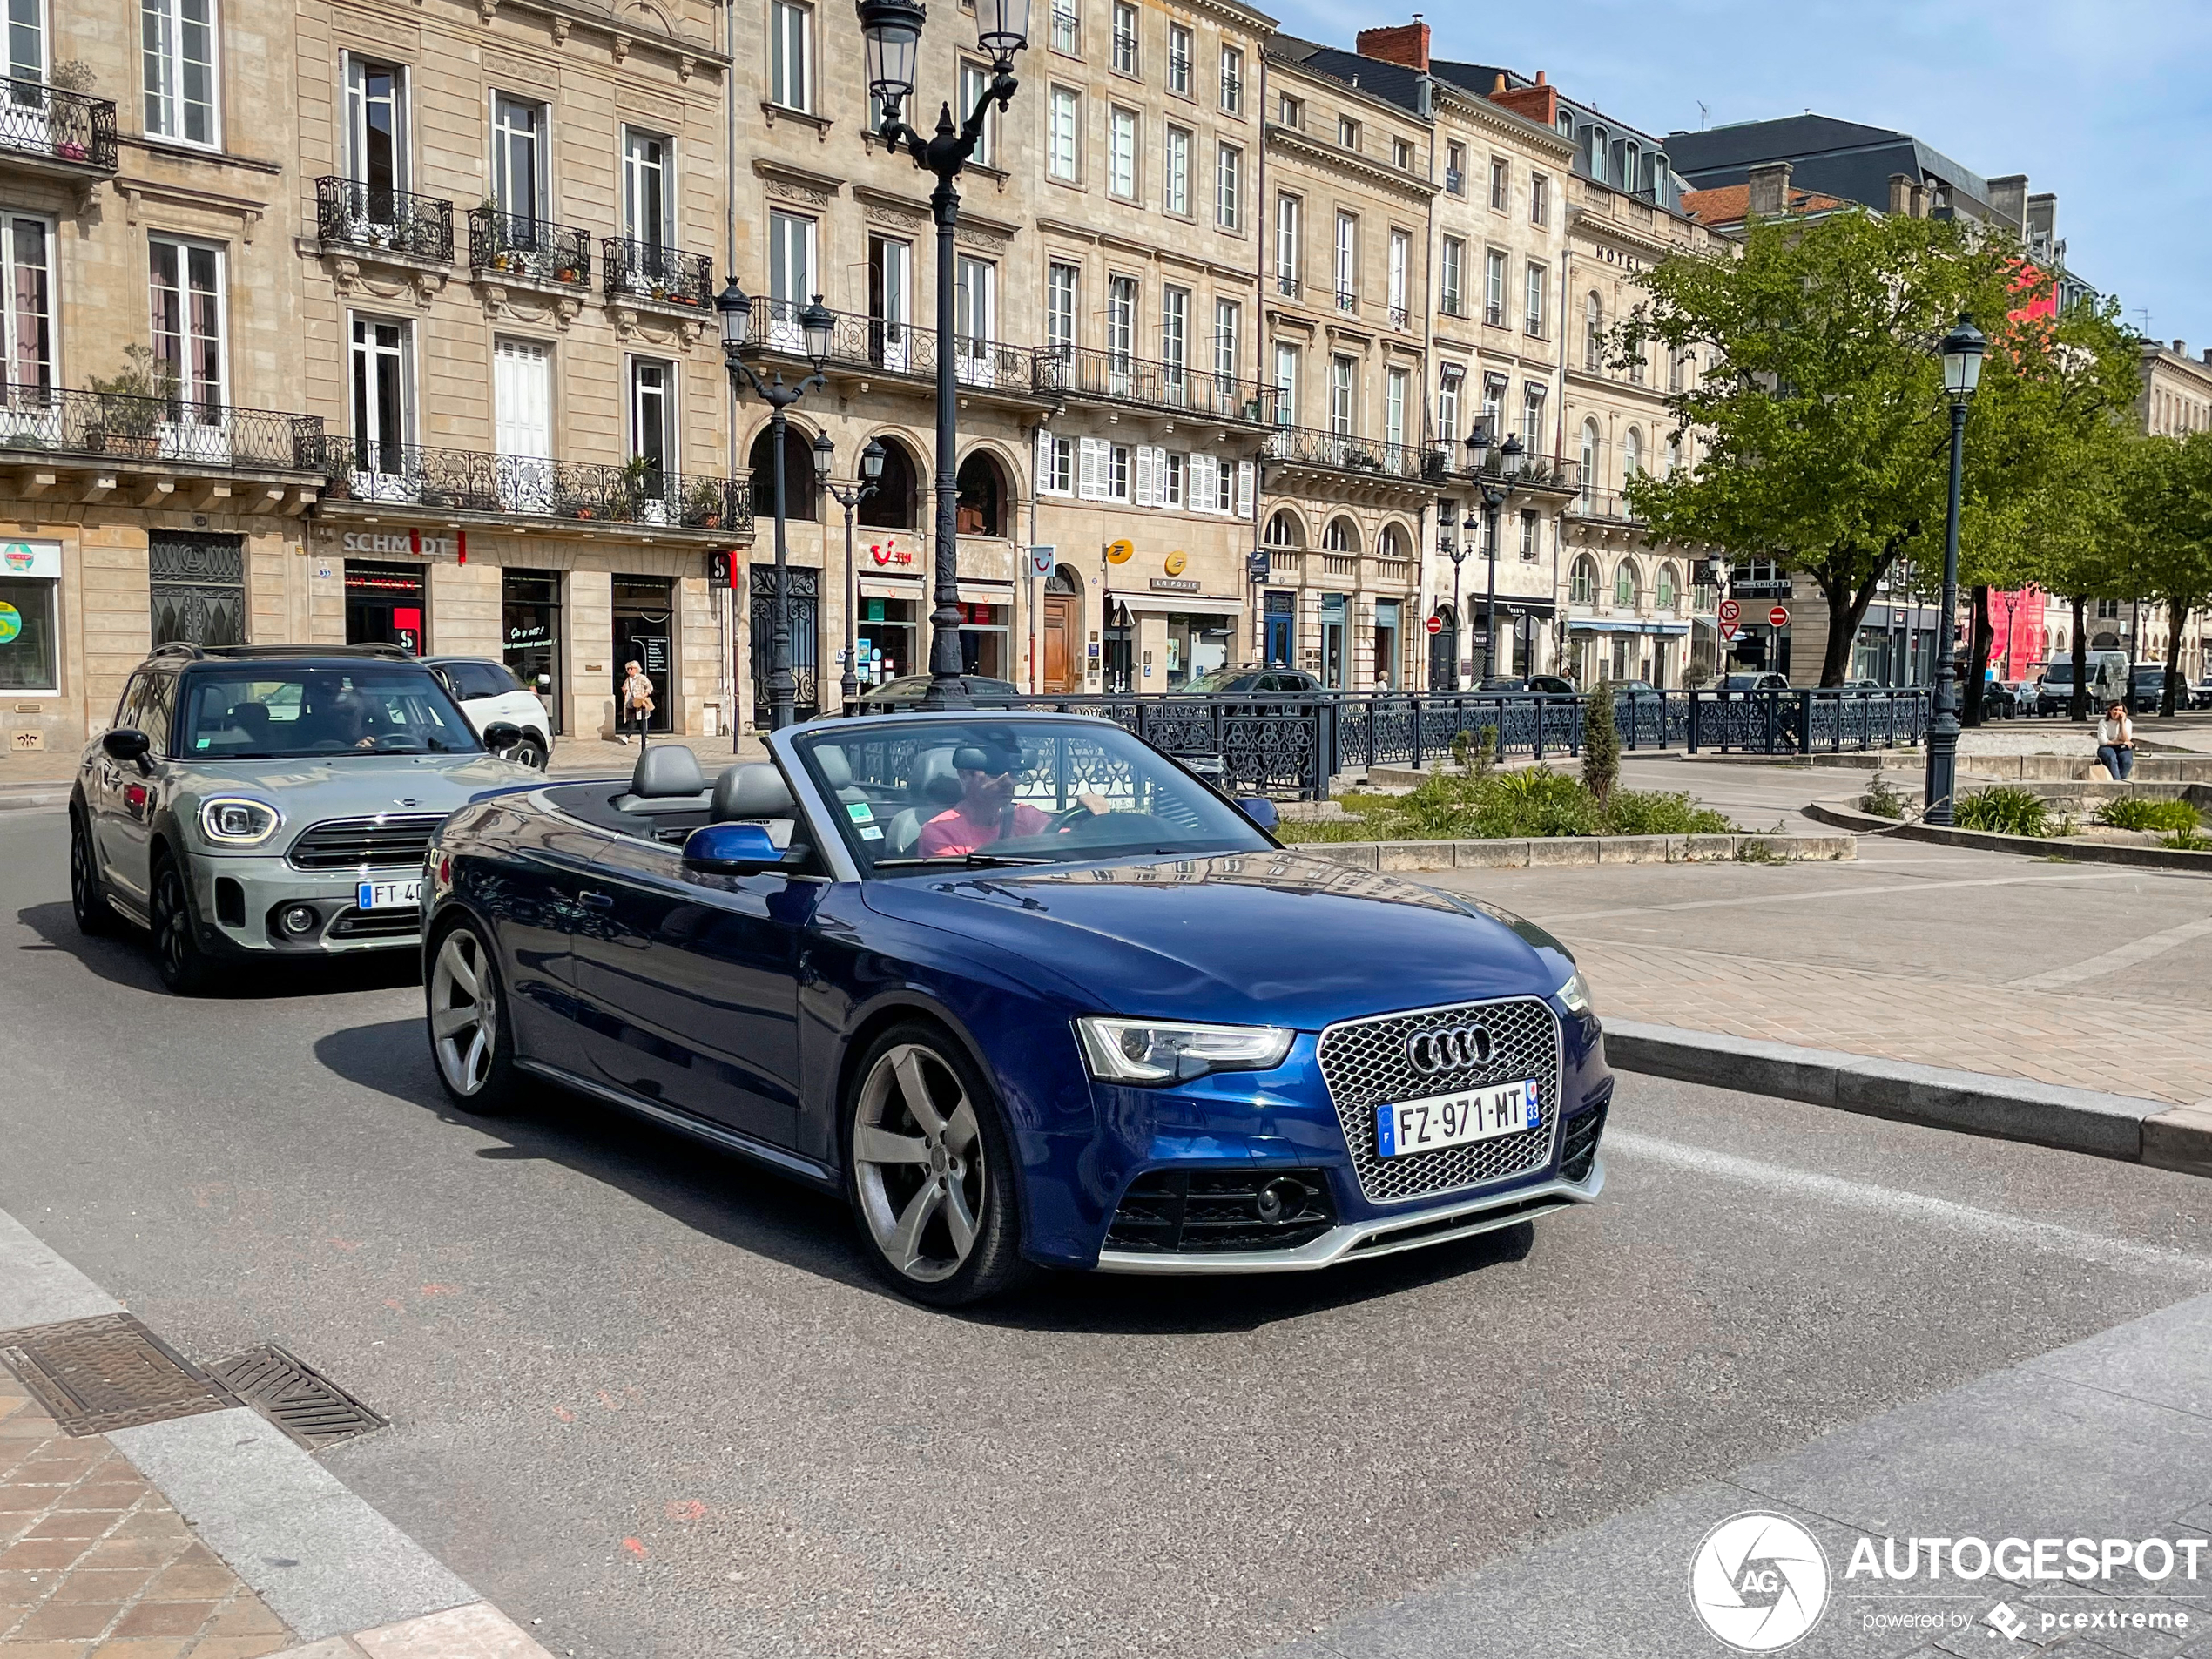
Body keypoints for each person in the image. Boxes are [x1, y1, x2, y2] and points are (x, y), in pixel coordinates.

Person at [916, 739, 1109, 859]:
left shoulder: (1024, 815)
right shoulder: (940, 833)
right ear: (965, 775)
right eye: (994, 772)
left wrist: (1089, 819)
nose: (1008, 781)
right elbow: (958, 891)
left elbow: (1068, 842)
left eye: (1014, 773)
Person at [617, 660, 653, 745]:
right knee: (633, 720)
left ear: (636, 669)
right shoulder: (628, 679)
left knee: (641, 721)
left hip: (640, 703)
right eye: (628, 669)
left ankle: (628, 737)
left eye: (631, 668)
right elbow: (626, 690)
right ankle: (642, 737)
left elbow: (649, 687)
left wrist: (644, 695)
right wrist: (624, 690)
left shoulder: (642, 678)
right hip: (631, 702)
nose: (629, 670)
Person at [2096, 700, 2134, 780]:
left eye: (2120, 711)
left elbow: (2126, 738)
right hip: (2106, 747)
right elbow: (2103, 741)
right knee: (2112, 758)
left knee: (2127, 761)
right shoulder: (2103, 722)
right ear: (2110, 711)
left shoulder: (2128, 722)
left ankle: (2122, 779)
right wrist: (2120, 742)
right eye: (2115, 709)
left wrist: (2122, 723)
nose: (2117, 712)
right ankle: (2117, 781)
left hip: (2121, 747)